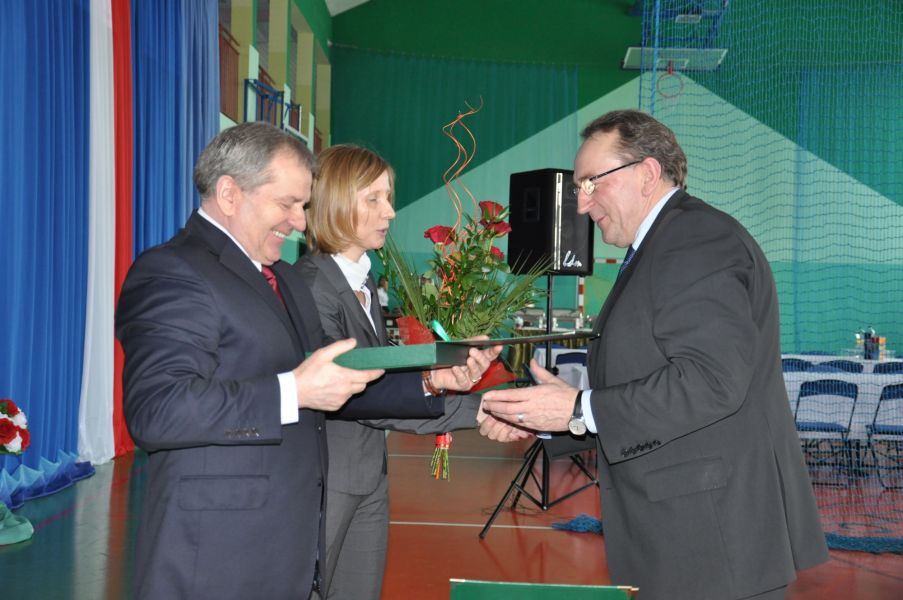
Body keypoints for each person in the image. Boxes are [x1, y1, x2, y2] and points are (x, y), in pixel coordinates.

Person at [116, 122, 480, 600]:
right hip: (220, 550)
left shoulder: (283, 279)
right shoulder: (173, 270)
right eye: (287, 204)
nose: (301, 222)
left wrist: (432, 380)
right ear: (229, 194)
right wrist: (293, 391)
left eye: (302, 205)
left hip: (290, 535)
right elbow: (158, 410)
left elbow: (340, 379)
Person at [481, 110, 829, 600]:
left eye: (591, 182)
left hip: (712, 540)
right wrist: (557, 416)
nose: (583, 204)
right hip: (690, 534)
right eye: (579, 187)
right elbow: (654, 382)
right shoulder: (665, 243)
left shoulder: (695, 242)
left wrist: (580, 408)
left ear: (646, 173)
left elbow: (711, 382)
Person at [295, 143, 507, 599]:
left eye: (388, 197)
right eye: (373, 198)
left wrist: (448, 373)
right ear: (334, 202)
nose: (389, 211)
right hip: (328, 481)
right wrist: (471, 402)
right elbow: (351, 392)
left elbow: (379, 376)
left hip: (368, 475)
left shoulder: (362, 279)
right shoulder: (314, 286)